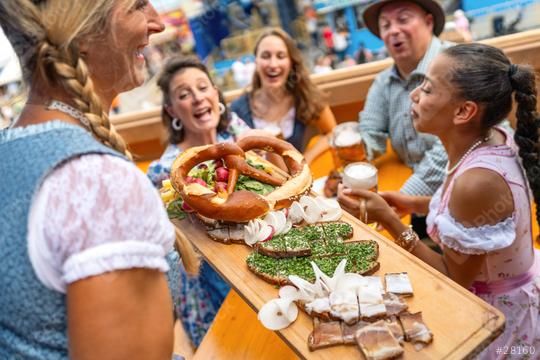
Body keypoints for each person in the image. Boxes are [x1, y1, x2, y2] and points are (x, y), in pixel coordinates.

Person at [0, 0, 182, 358]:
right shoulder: (96, 184)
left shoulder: (11, 149)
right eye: (137, 6)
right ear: (82, 34)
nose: (157, 22)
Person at [339, 43, 540, 358]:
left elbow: (454, 279)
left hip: (501, 322)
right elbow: (472, 215)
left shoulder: (476, 184)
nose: (414, 95)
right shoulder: (494, 138)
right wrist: (412, 204)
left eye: (428, 90)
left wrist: (391, 221)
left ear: (463, 111)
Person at [147, 57, 252, 347]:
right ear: (172, 111)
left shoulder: (234, 133)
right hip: (210, 287)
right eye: (184, 94)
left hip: (254, 260)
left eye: (203, 87)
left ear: (216, 94)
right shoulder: (165, 172)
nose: (197, 98)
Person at [359, 0, 450, 238]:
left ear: (428, 22)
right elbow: (370, 131)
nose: (393, 30)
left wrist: (402, 198)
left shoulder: (456, 66)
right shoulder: (384, 82)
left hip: (464, 199)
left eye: (403, 19)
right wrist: (358, 150)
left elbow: (454, 148)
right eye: (386, 24)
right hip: (415, 204)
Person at [230, 28, 337, 165]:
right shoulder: (238, 110)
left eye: (280, 56)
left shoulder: (303, 97)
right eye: (265, 56)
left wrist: (306, 160)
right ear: (255, 62)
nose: (273, 65)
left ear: (291, 63)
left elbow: (331, 132)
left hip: (298, 182)